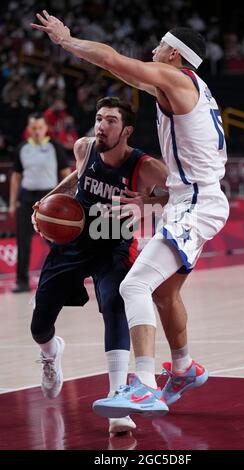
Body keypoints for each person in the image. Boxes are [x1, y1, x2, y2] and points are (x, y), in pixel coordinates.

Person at [32, 12, 229, 418]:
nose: (153, 49)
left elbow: (114, 61)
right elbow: (131, 77)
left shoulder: (175, 78)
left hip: (196, 204)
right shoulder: (187, 87)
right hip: (189, 199)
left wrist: (67, 41)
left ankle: (142, 386)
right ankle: (183, 368)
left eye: (160, 45)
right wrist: (153, 204)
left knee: (133, 286)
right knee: (163, 292)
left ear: (174, 53)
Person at [30, 96, 168, 434]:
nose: (101, 125)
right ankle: (51, 353)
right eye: (99, 118)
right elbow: (77, 178)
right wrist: (46, 203)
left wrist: (147, 201)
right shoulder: (84, 147)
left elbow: (180, 191)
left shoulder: (145, 166)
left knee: (115, 305)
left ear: (127, 130)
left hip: (114, 242)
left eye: (110, 121)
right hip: (75, 239)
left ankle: (118, 398)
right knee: (39, 323)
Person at [9, 112, 70, 293]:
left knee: (57, 242)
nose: (37, 131)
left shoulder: (55, 147)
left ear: (46, 128)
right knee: (23, 242)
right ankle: (21, 281)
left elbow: (66, 174)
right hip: (26, 198)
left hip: (49, 199)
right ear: (29, 129)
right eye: (33, 128)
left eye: (40, 127)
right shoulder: (22, 148)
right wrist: (13, 202)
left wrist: (68, 199)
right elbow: (16, 177)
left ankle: (63, 279)